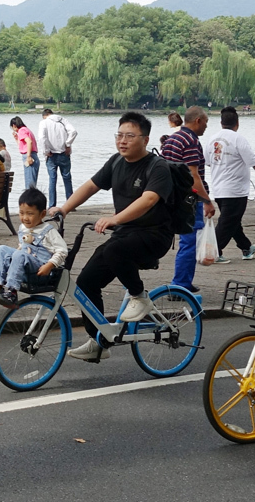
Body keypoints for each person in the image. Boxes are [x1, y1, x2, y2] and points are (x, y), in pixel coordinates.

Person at [48, 112, 174, 363]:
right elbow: (90, 186)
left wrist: (115, 219)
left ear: (145, 139)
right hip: (125, 235)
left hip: (154, 235)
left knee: (115, 251)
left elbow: (149, 199)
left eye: (129, 135)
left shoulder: (157, 166)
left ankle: (139, 296)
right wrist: (64, 208)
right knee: (84, 283)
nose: (122, 140)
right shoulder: (116, 162)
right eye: (119, 135)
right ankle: (99, 341)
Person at [205, 106, 255, 262]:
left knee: (233, 221)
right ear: (237, 123)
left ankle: (246, 248)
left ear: (221, 122)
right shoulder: (238, 139)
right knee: (227, 223)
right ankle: (213, 252)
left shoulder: (212, 139)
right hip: (235, 190)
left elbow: (209, 162)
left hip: (218, 188)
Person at [0, 188, 68, 308]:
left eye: (30, 214)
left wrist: (50, 265)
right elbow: (22, 248)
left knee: (19, 255)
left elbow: (63, 250)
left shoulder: (49, 231)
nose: (25, 218)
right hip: (26, 267)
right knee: (1, 249)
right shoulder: (23, 228)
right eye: (21, 213)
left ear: (42, 214)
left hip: (40, 271)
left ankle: (12, 292)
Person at [160, 106, 215, 293]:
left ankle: (183, 280)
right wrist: (207, 200)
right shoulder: (190, 141)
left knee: (185, 240)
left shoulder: (173, 138)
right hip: (189, 199)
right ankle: (181, 283)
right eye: (206, 122)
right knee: (189, 241)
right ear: (198, 120)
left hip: (172, 196)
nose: (206, 127)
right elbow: (194, 175)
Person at [37, 108, 78, 207]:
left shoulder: (43, 123)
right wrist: (67, 144)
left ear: (44, 115)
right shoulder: (62, 120)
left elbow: (42, 138)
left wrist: (46, 151)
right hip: (64, 153)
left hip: (51, 155)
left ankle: (52, 205)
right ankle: (70, 204)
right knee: (67, 178)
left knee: (52, 179)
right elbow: (73, 132)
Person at [10, 116, 40, 190]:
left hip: (29, 156)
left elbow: (29, 142)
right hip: (32, 155)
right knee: (31, 182)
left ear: (14, 126)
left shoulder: (21, 131)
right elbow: (22, 146)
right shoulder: (26, 130)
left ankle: (29, 200)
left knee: (29, 183)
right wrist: (17, 139)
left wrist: (28, 156)